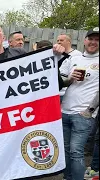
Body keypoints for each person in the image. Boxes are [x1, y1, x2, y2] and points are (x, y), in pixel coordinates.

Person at [60, 27, 99, 180]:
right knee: (66, 150)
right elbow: (59, 82)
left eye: (97, 40)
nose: (93, 42)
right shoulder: (73, 58)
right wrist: (69, 79)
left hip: (83, 115)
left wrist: (90, 110)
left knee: (76, 151)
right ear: (85, 40)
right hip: (65, 111)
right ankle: (67, 178)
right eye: (91, 39)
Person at [57, 34, 82, 101]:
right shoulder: (57, 55)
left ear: (69, 42)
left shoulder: (77, 55)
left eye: (61, 40)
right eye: (58, 40)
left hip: (65, 92)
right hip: (56, 92)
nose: (59, 42)